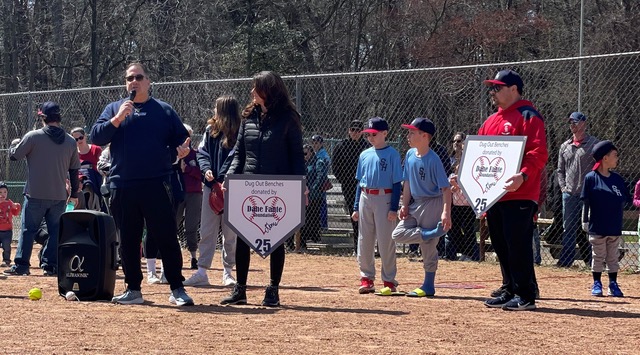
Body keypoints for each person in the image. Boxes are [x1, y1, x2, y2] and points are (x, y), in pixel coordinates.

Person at [90, 62, 194, 306]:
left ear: (149, 82)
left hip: (156, 182)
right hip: (122, 185)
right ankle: (133, 289)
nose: (133, 82)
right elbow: (96, 136)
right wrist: (117, 119)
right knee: (128, 239)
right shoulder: (115, 108)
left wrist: (180, 150)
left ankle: (177, 288)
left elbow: (182, 138)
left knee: (165, 235)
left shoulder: (164, 111)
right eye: (129, 78)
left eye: (138, 77)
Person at [221, 71, 305, 307]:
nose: (251, 92)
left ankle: (273, 289)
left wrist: (302, 185)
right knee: (243, 237)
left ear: (269, 90)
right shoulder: (248, 117)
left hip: (278, 187)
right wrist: (230, 177)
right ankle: (241, 289)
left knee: (276, 239)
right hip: (248, 186)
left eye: (256, 88)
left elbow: (297, 156)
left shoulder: (288, 118)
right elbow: (239, 154)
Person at [473, 69, 548, 311]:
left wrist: (523, 175)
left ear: (513, 89)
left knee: (518, 243)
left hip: (520, 192)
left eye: (497, 88)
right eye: (492, 88)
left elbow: (539, 153)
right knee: (501, 242)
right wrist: (466, 179)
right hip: (494, 193)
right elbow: (480, 155)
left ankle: (525, 294)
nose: (492, 92)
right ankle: (509, 288)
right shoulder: (491, 120)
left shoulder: (529, 116)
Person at [4, 101, 80, 276]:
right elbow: (75, 170)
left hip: (35, 193)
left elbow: (15, 156)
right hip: (59, 195)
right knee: (55, 231)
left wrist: (13, 146)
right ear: (59, 118)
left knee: (28, 230)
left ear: (43, 118)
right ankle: (50, 265)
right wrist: (74, 193)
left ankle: (22, 265)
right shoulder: (70, 141)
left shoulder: (34, 136)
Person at [184, 95, 240, 287]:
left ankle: (228, 273)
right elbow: (202, 153)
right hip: (210, 188)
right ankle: (202, 272)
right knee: (207, 230)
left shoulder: (239, 132)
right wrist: (206, 170)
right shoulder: (211, 130)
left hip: (231, 188)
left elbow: (235, 158)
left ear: (225, 110)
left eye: (217, 108)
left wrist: (222, 177)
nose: (214, 111)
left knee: (230, 233)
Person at [392, 117, 451, 298]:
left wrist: (445, 213)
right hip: (416, 202)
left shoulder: (433, 160)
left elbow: (446, 188)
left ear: (424, 136)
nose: (408, 136)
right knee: (397, 234)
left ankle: (428, 285)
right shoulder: (410, 155)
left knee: (428, 248)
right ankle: (429, 233)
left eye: (412, 132)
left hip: (432, 202)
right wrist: (405, 204)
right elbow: (407, 181)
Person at [351, 117, 402, 294]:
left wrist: (394, 207)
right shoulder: (364, 154)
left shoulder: (392, 154)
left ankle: (389, 280)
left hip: (385, 197)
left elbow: (397, 183)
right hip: (366, 196)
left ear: (385, 133)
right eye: (368, 135)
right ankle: (366, 278)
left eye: (374, 134)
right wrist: (356, 206)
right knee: (364, 239)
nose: (370, 138)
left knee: (386, 240)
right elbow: (360, 182)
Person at [582, 140, 631, 297]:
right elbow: (586, 201)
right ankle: (597, 283)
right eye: (614, 155)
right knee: (598, 256)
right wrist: (585, 220)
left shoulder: (617, 179)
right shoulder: (591, 178)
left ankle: (613, 284)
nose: (617, 158)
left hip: (614, 226)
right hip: (597, 226)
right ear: (605, 158)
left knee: (613, 257)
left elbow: (626, 199)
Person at [557, 112, 599, 267]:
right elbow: (560, 170)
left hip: (587, 194)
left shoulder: (594, 144)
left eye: (575, 122)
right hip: (569, 194)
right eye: (570, 122)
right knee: (568, 228)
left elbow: (599, 167)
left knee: (589, 229)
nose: (572, 125)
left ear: (583, 123)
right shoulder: (565, 146)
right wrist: (563, 188)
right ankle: (566, 261)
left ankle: (593, 262)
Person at [332, 120, 369, 252]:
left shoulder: (366, 146)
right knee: (355, 215)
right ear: (349, 130)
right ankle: (357, 246)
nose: (355, 133)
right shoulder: (341, 146)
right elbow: (335, 166)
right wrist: (343, 180)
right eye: (352, 130)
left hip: (364, 185)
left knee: (366, 215)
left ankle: (367, 246)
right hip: (348, 184)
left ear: (362, 132)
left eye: (358, 130)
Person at [447, 132, 479, 261]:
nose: (456, 144)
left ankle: (472, 255)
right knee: (454, 228)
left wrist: (459, 185)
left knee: (468, 228)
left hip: (467, 200)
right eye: (454, 141)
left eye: (459, 141)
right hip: (454, 200)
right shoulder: (450, 160)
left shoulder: (471, 160)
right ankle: (459, 253)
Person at [175, 123, 202, 270]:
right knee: (173, 224)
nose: (184, 139)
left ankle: (193, 257)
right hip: (178, 192)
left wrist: (188, 169)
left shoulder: (196, 154)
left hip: (194, 193)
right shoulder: (174, 154)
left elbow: (202, 173)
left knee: (190, 227)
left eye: (187, 136)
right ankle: (172, 256)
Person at [300, 144, 325, 248]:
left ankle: (313, 237)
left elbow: (320, 177)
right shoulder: (303, 163)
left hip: (314, 195)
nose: (304, 156)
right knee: (305, 217)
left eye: (306, 153)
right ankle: (304, 239)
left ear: (311, 152)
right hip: (305, 196)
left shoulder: (318, 162)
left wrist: (312, 189)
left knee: (313, 216)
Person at [311, 135, 330, 230]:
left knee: (322, 203)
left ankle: (323, 225)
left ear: (321, 143)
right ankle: (320, 225)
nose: (315, 145)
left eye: (317, 143)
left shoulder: (323, 154)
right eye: (313, 143)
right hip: (315, 180)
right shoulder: (316, 153)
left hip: (320, 182)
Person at [0, 182, 21, 267]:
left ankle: (6, 260)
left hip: (7, 231)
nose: (3, 194)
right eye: (0, 192)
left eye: (5, 192)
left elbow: (15, 213)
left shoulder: (9, 203)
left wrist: (17, 206)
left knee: (7, 247)